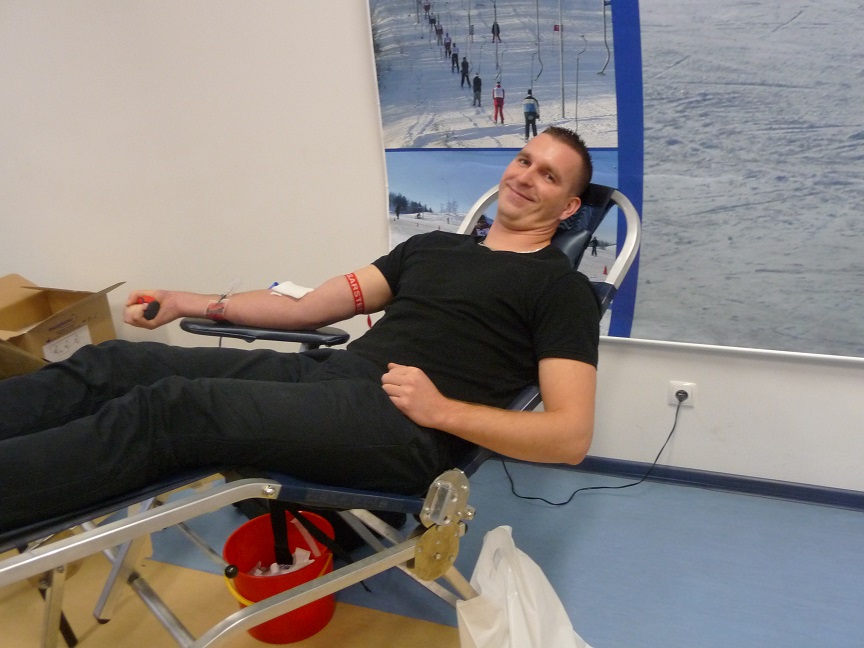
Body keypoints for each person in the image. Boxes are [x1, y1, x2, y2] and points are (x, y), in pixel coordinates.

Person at [0, 127, 598, 533]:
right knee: (121, 363)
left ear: (569, 207)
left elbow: (569, 437)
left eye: (549, 176)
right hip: (336, 377)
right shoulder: (432, 247)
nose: (526, 177)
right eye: (525, 160)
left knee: (172, 411)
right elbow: (308, 306)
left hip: (405, 428)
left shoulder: (560, 289)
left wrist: (442, 411)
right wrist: (185, 302)